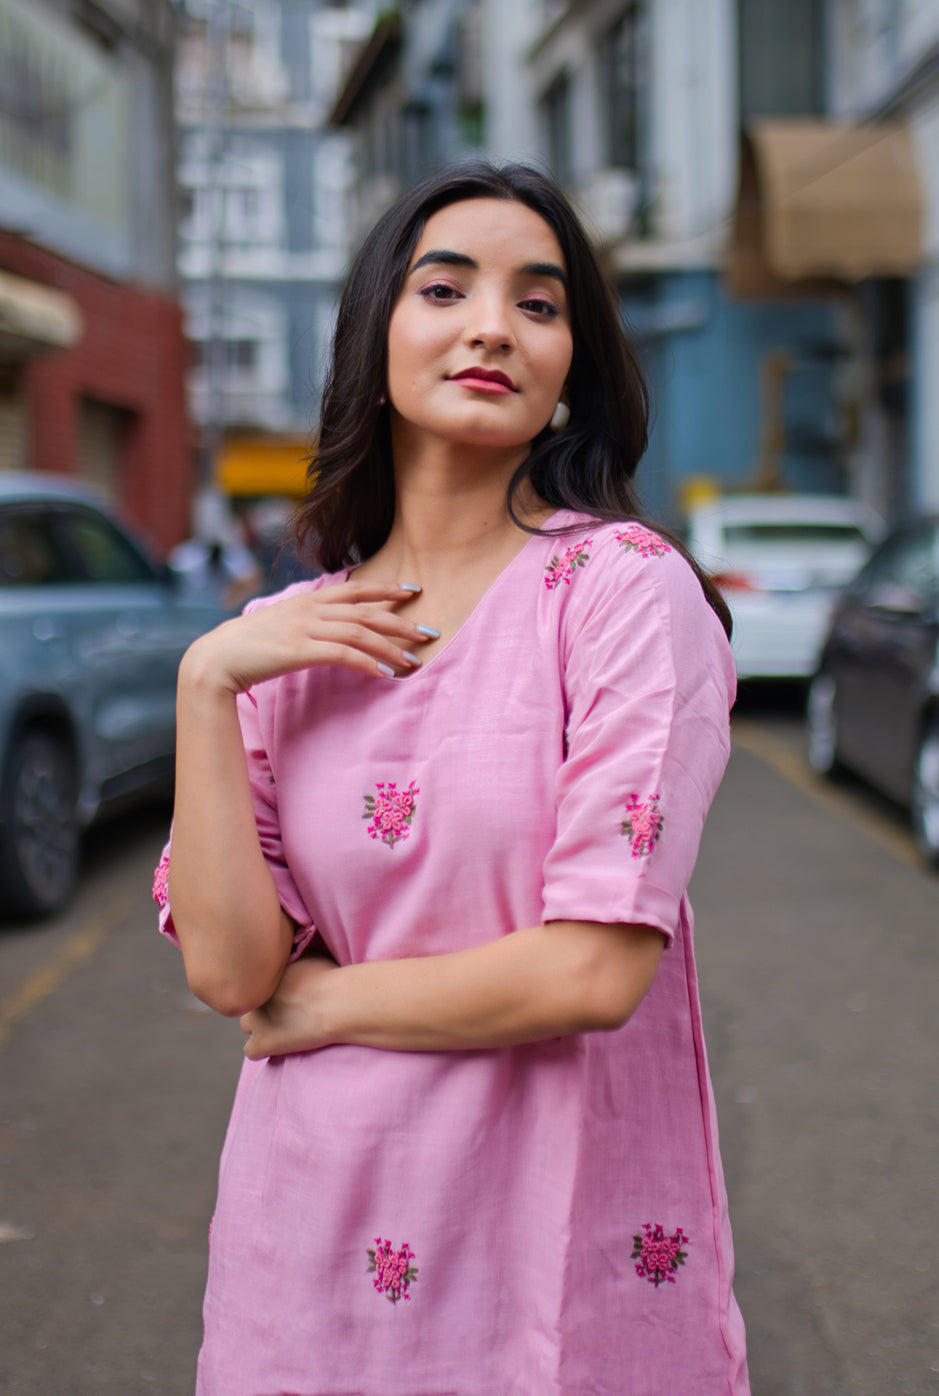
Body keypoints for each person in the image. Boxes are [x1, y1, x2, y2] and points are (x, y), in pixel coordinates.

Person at [153, 161, 750, 1395]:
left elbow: (593, 967)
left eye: (540, 304)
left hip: (550, 1253)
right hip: (305, 1248)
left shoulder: (624, 595)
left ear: (572, 368)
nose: (492, 324)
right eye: (446, 287)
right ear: (378, 332)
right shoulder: (280, 638)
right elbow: (229, 971)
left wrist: (324, 1006)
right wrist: (206, 684)